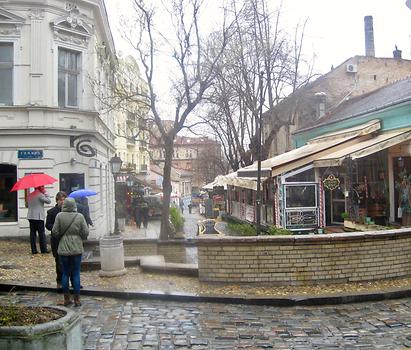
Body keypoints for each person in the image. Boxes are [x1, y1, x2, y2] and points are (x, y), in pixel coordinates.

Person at [52, 198, 89, 307]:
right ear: (74, 206)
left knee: (65, 273)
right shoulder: (80, 216)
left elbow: (54, 231)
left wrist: (61, 237)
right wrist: (79, 237)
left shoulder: (59, 216)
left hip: (63, 248)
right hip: (77, 247)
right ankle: (77, 299)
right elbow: (86, 232)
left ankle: (66, 298)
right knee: (76, 273)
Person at [46, 191, 67, 288]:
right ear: (57, 201)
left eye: (64, 200)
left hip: (67, 239)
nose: (62, 202)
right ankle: (59, 280)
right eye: (60, 200)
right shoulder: (51, 212)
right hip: (56, 240)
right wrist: (56, 227)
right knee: (58, 261)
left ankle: (69, 280)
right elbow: (48, 225)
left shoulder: (68, 211)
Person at [27, 185, 51, 254]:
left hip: (31, 216)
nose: (43, 188)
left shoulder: (30, 195)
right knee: (41, 234)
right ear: (39, 187)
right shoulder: (40, 195)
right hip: (38, 217)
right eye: (42, 187)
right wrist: (46, 193)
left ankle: (33, 250)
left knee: (32, 234)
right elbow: (48, 201)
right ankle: (43, 249)